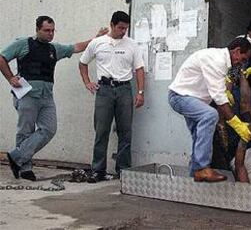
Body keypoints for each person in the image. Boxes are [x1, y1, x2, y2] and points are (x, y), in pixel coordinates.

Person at [0, 16, 108, 181]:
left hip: (47, 96)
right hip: (27, 94)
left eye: (52, 31)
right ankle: (25, 169)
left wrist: (96, 38)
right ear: (37, 30)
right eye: (46, 30)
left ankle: (16, 156)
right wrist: (10, 78)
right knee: (25, 131)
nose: (50, 34)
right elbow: (2, 58)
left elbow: (76, 47)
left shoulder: (54, 49)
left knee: (49, 129)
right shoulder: (23, 44)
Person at [168, 37, 251, 182]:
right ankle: (202, 168)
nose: (243, 63)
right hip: (180, 97)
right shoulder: (216, 60)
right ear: (237, 52)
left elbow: (225, 83)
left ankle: (194, 177)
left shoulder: (227, 63)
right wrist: (237, 125)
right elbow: (219, 98)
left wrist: (226, 92)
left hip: (193, 100)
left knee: (198, 136)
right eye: (243, 59)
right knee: (210, 114)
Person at [79, 11, 145, 183]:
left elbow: (139, 69)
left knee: (125, 131)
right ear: (112, 25)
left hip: (124, 89)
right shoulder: (98, 43)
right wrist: (87, 82)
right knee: (101, 130)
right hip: (105, 90)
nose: (123, 31)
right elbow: (83, 62)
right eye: (120, 28)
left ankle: (123, 169)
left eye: (126, 28)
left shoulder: (132, 45)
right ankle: (98, 169)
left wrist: (140, 92)